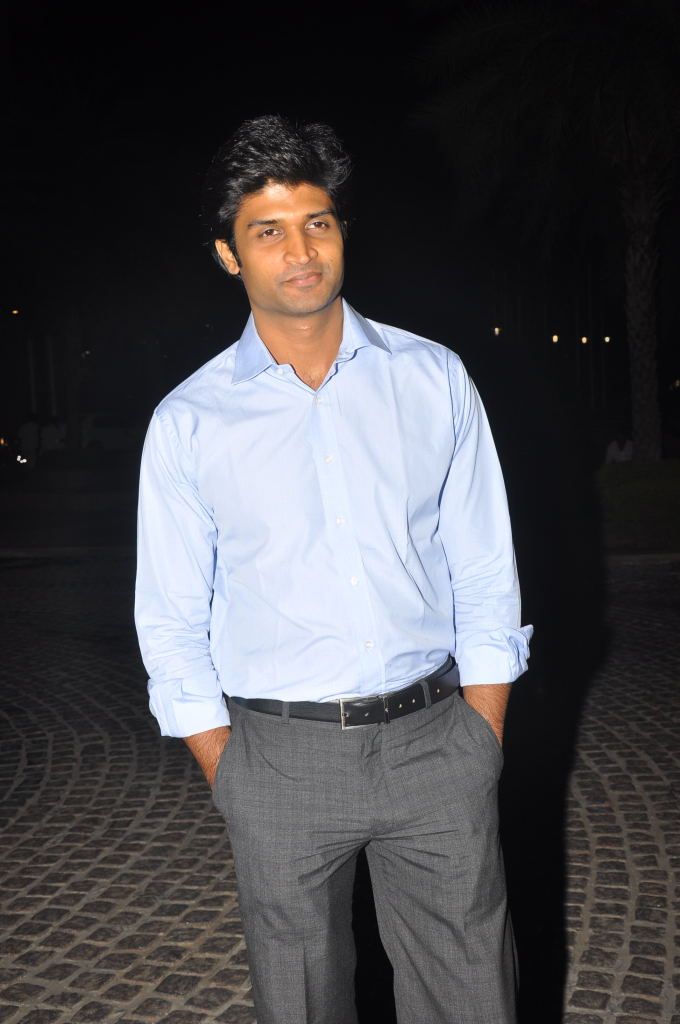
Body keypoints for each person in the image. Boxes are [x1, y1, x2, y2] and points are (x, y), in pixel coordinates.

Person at [134, 115, 533, 1024]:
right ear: (229, 255)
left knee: (474, 995)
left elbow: (483, 565)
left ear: (342, 230)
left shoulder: (433, 379)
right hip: (279, 758)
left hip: (436, 739)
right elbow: (170, 617)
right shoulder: (190, 421)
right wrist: (229, 772)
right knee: (304, 1004)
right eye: (267, 231)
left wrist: (482, 732)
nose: (299, 251)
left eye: (316, 222)